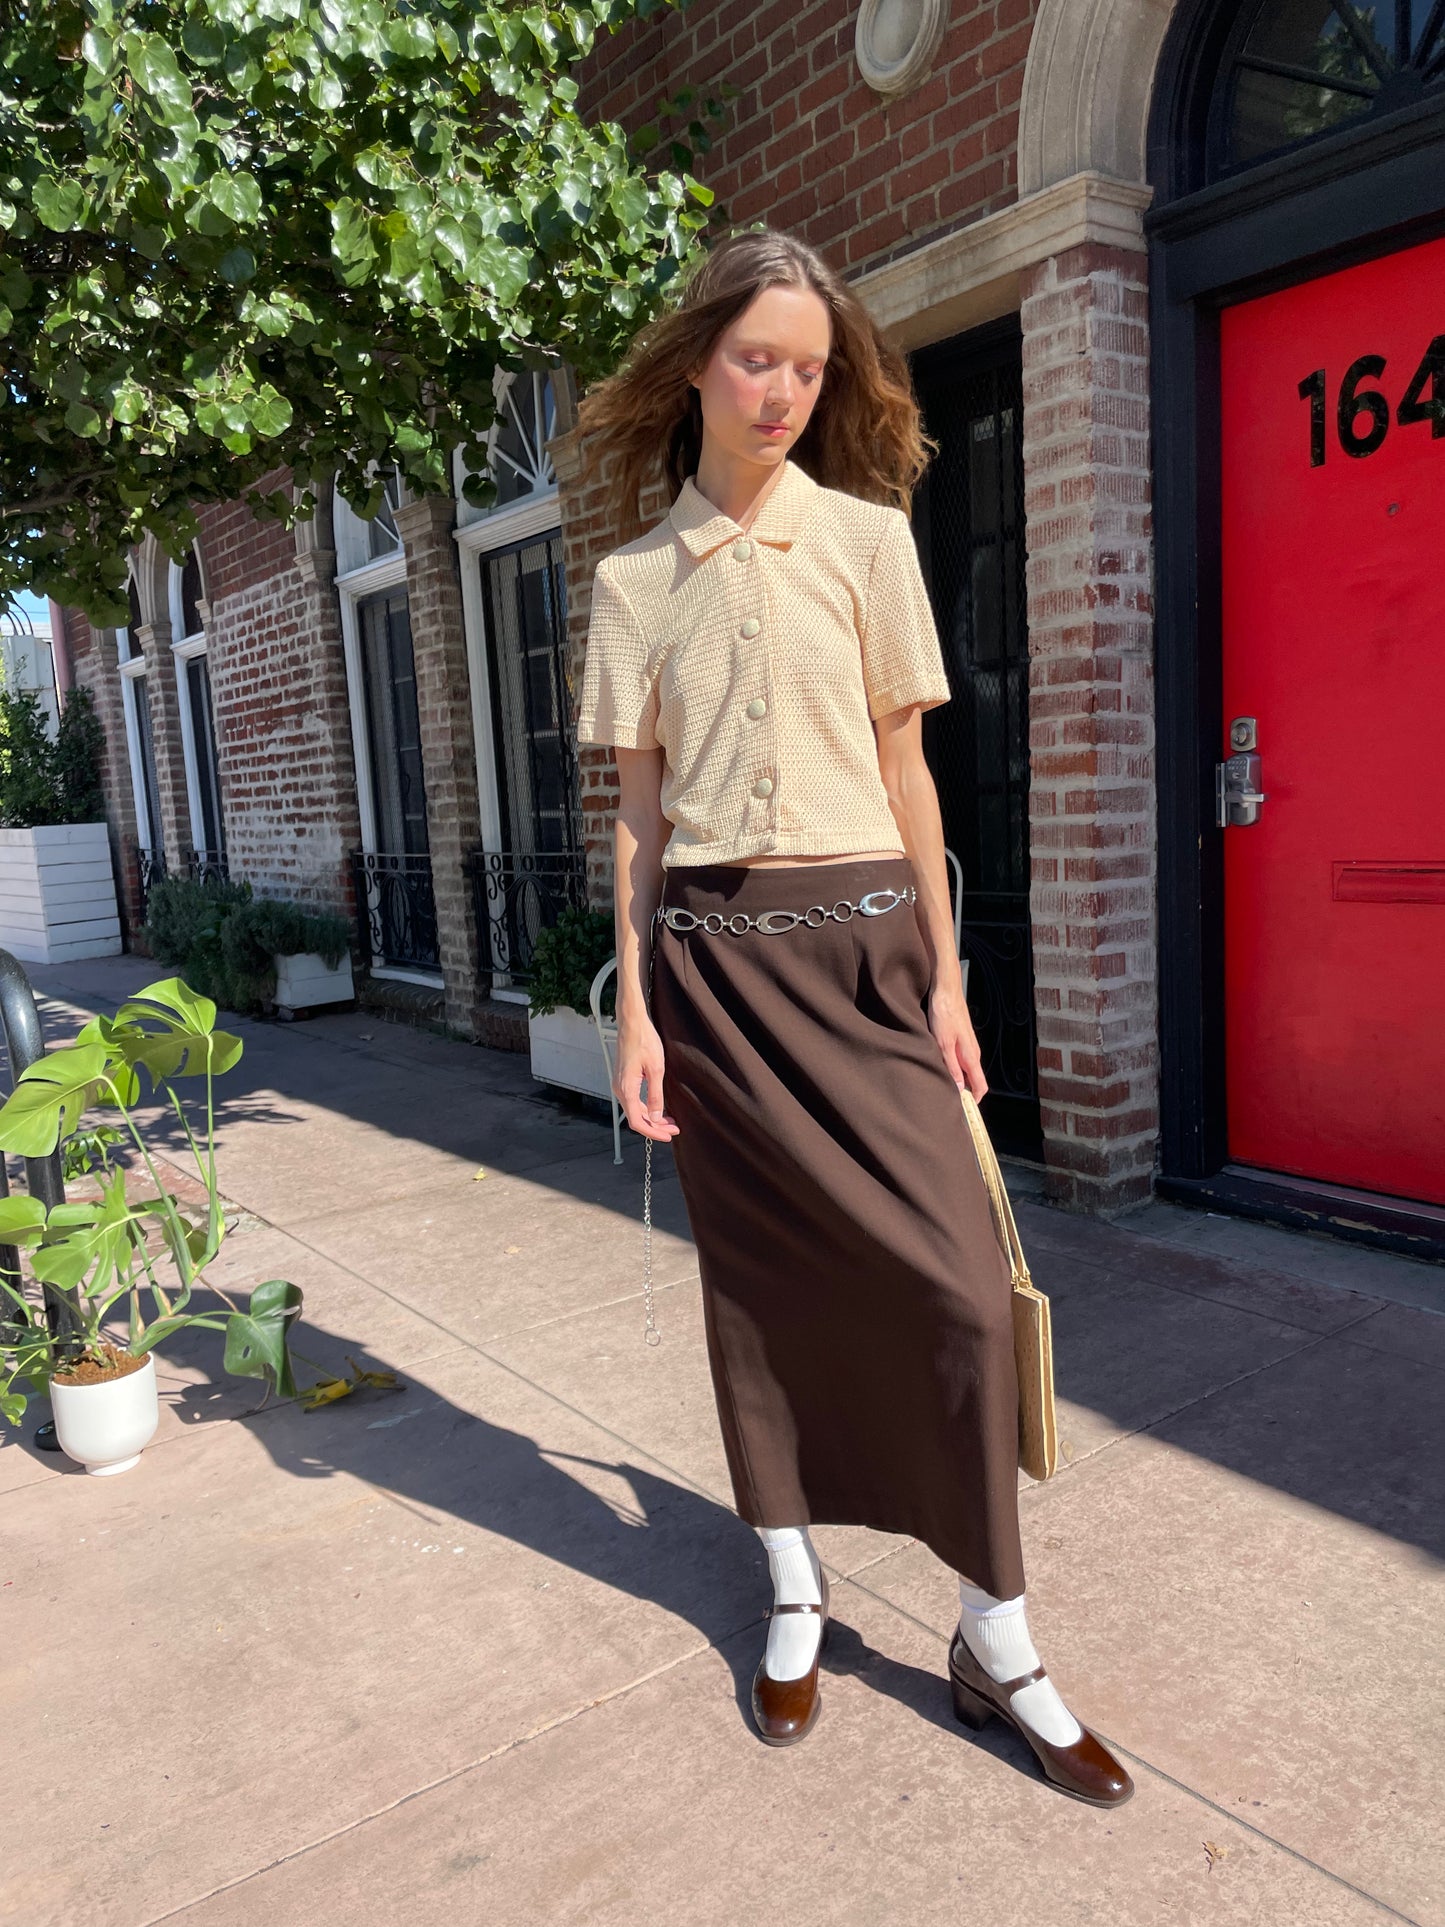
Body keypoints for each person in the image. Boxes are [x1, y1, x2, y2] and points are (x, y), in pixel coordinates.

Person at [572, 228, 1132, 1806]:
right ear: (697, 366)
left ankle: (993, 1634)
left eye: (810, 369)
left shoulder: (873, 544)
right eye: (759, 360)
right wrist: (633, 1016)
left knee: (958, 1293)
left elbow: (908, 779)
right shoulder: (631, 584)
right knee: (762, 1300)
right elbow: (635, 814)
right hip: (717, 979)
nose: (784, 393)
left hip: (871, 957)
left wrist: (946, 981)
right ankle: (795, 1588)